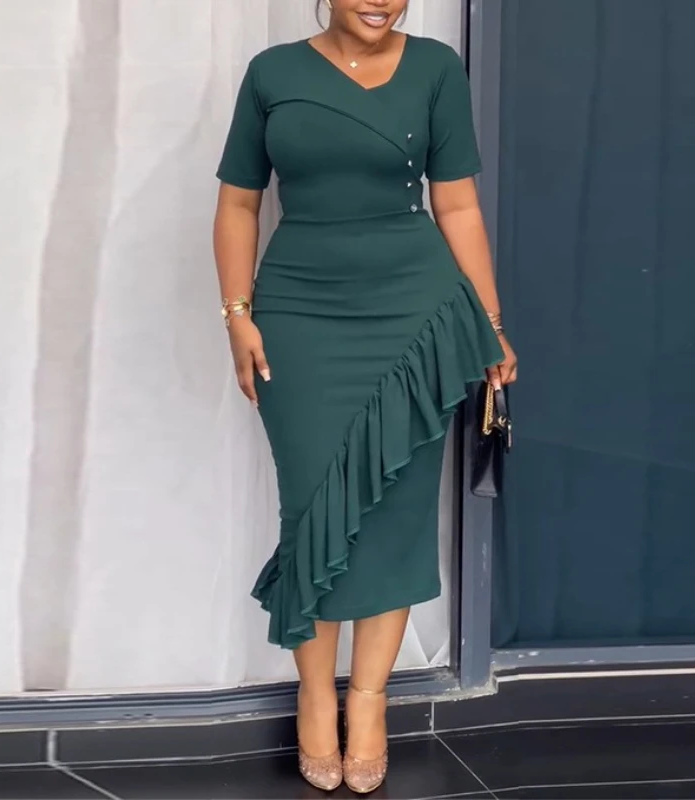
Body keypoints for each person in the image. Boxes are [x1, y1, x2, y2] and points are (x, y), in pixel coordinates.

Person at [213, 0, 517, 792]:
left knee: (398, 510)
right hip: (300, 315)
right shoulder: (273, 74)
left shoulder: (436, 69)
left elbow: (457, 204)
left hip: (415, 317)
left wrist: (489, 326)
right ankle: (316, 695)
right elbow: (239, 201)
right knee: (313, 506)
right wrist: (237, 315)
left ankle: (371, 699)